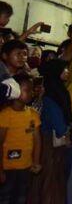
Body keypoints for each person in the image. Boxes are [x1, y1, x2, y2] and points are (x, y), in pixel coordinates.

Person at [28, 59, 72, 204]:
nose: (67, 72)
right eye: (64, 69)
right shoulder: (52, 96)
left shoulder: (53, 91)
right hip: (50, 144)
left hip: (49, 141)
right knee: (51, 179)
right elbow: (60, 126)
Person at [0, 73, 41, 204]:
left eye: (32, 90)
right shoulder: (5, 115)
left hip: (25, 166)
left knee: (22, 197)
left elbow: (37, 140)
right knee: (5, 197)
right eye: (27, 90)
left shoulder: (33, 114)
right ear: (16, 91)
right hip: (7, 167)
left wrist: (36, 162)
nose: (31, 93)